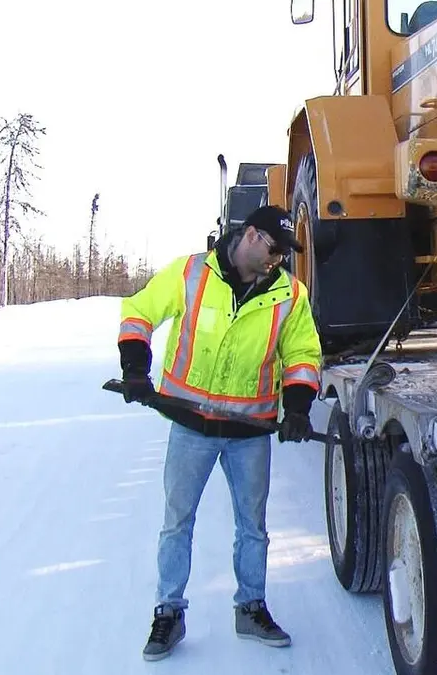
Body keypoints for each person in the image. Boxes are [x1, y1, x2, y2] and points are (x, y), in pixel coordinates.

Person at [115, 205, 323, 661]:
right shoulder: (191, 273)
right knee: (177, 522)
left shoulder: (290, 294)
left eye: (284, 253)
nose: (278, 260)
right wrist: (135, 369)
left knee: (253, 527)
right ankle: (168, 613)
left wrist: (298, 408)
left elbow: (303, 354)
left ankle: (251, 607)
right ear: (250, 236)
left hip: (250, 431)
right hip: (191, 425)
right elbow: (138, 312)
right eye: (273, 249)